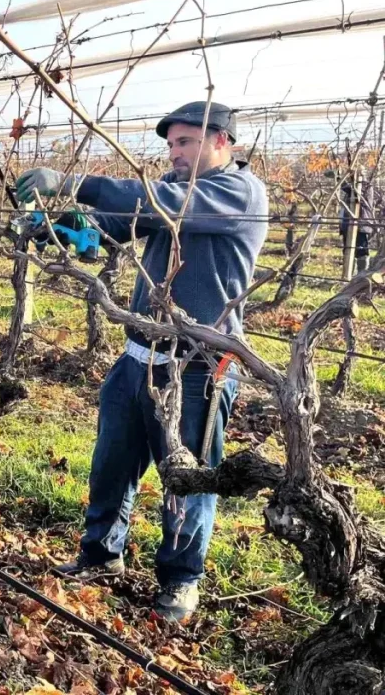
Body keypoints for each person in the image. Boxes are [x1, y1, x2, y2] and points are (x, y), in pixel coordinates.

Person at [16, 102, 269, 623]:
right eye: (171, 145)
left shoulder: (236, 193)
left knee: (187, 479)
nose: (174, 153)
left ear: (223, 141)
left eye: (185, 143)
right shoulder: (171, 189)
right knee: (111, 464)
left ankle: (181, 579)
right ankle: (100, 555)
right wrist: (62, 227)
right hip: (136, 356)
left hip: (197, 370)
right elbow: (120, 223)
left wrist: (71, 180)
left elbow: (159, 204)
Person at [338, 171, 376, 273]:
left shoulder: (365, 186)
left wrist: (338, 178)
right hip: (347, 224)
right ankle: (349, 275)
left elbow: (355, 194)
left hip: (360, 225)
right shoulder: (352, 186)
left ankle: (361, 275)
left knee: (361, 251)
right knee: (348, 250)